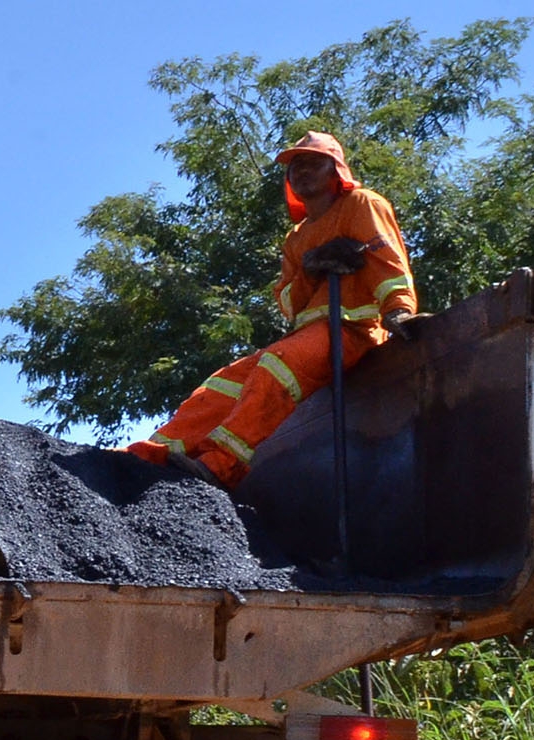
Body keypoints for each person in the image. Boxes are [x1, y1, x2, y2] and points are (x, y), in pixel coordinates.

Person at [129, 133, 419, 487]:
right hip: (310, 336)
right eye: (295, 166)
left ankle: (220, 464)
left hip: (353, 331)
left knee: (276, 366)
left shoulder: (362, 204)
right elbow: (288, 304)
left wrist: (399, 309)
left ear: (336, 169)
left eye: (313, 163)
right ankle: (152, 454)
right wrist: (311, 269)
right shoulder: (296, 238)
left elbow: (386, 258)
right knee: (222, 383)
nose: (302, 172)